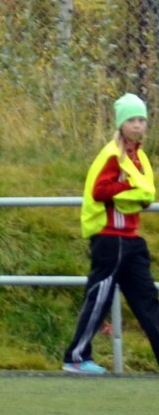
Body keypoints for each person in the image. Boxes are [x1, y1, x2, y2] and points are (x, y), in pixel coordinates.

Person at [62, 93, 159, 374]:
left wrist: (137, 195)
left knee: (147, 300)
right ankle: (76, 358)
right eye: (132, 120)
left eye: (141, 120)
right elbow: (100, 191)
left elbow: (144, 194)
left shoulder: (139, 157)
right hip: (110, 237)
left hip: (130, 238)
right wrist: (132, 191)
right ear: (121, 124)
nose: (138, 125)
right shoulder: (114, 155)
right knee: (99, 298)